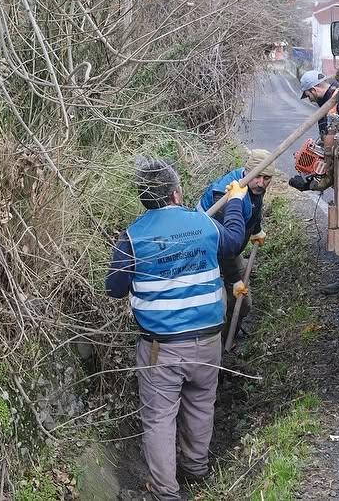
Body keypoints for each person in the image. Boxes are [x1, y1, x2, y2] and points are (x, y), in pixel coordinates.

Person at [106, 155, 247, 501]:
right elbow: (233, 242)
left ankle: (166, 493)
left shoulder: (132, 238)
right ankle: (195, 468)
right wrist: (234, 202)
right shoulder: (201, 224)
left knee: (159, 418)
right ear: (176, 193)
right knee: (201, 403)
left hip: (161, 348)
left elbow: (114, 287)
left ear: (143, 197)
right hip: (208, 341)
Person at [197, 149, 273, 342]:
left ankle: (228, 341)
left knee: (243, 305)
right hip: (205, 255)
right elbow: (223, 246)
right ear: (246, 172)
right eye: (257, 177)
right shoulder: (225, 196)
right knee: (216, 310)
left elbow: (255, 206)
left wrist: (256, 229)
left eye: (267, 178)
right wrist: (234, 279)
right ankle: (214, 349)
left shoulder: (253, 185)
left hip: (229, 250)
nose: (261, 183)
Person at [299, 70, 339, 299]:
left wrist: (313, 184)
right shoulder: (331, 104)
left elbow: (335, 152)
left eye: (308, 95)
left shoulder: (337, 104)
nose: (310, 100)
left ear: (313, 90)